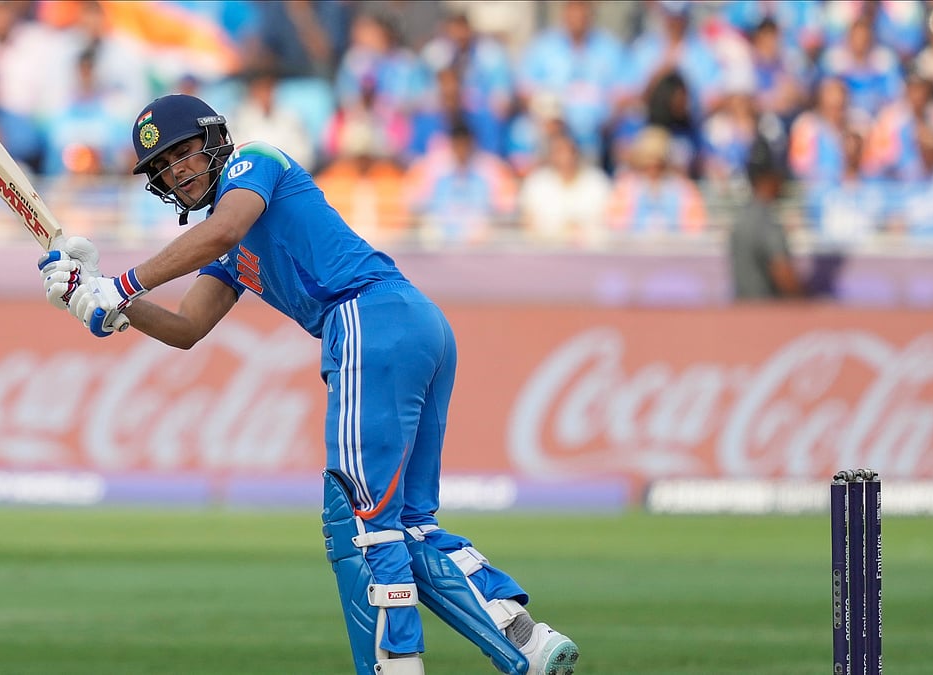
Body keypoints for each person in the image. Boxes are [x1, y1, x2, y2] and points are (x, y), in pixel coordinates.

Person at [37, 94, 579, 675]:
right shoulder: (223, 242)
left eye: (183, 153)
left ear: (214, 138)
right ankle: (526, 641)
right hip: (410, 324)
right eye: (163, 168)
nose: (177, 171)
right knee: (408, 523)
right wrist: (93, 294)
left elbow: (223, 231)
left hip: (367, 317)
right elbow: (187, 328)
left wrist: (118, 284)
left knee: (358, 516)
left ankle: (395, 666)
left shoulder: (255, 162)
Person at [728, 135, 804, 300]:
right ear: (770, 178)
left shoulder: (741, 218)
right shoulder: (767, 222)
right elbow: (784, 275)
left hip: (742, 313)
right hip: (767, 315)